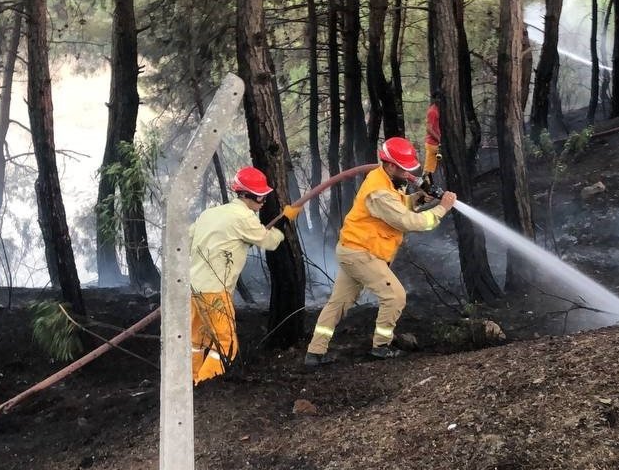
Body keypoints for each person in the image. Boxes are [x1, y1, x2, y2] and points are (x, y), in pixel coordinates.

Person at [304, 137, 457, 366]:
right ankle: (381, 347)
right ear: (391, 165)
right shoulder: (379, 192)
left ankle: (314, 353)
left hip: (353, 250)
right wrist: (442, 208)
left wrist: (420, 197)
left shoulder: (385, 182)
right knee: (395, 296)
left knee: (339, 302)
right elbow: (408, 221)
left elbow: (399, 205)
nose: (408, 175)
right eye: (404, 170)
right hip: (361, 254)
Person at [189, 166, 297, 384]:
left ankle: (190, 380)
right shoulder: (243, 217)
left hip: (193, 288)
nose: (263, 203)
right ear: (251, 196)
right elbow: (270, 241)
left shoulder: (209, 214)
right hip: (215, 291)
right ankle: (204, 384)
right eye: (262, 198)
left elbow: (190, 238)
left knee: (197, 340)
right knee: (226, 343)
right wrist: (283, 224)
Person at [423, 90, 442, 185]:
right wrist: (439, 139)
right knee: (427, 171)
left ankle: (431, 186)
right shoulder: (433, 111)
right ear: (434, 99)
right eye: (437, 98)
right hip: (432, 144)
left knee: (431, 168)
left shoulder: (437, 110)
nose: (439, 100)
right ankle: (426, 188)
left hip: (435, 144)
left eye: (441, 98)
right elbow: (429, 129)